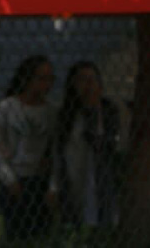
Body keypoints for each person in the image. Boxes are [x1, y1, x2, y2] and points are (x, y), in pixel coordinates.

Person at [0, 55, 58, 242]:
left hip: (40, 180)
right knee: (16, 233)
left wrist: (53, 186)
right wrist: (8, 178)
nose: (46, 85)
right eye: (41, 78)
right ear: (27, 78)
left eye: (50, 79)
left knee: (42, 235)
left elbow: (56, 151)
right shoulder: (7, 108)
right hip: (14, 178)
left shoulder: (51, 112)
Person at [56, 61, 120, 230]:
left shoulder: (107, 110)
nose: (89, 84)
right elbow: (59, 149)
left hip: (100, 174)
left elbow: (107, 142)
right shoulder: (67, 115)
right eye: (83, 80)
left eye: (93, 79)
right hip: (74, 173)